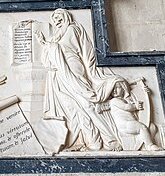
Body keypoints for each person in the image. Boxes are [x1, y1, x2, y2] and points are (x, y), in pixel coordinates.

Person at [35, 9, 122, 151]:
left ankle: (110, 139)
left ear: (66, 16)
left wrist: (47, 44)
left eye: (59, 17)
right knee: (74, 108)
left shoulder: (72, 28)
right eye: (54, 18)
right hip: (59, 72)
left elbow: (65, 48)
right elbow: (53, 50)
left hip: (72, 67)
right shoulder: (57, 35)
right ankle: (91, 141)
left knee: (87, 105)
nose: (57, 20)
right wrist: (45, 43)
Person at [109, 81, 161, 151]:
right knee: (142, 127)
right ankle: (149, 145)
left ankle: (143, 146)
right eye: (112, 89)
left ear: (123, 88)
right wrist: (135, 106)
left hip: (130, 122)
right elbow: (126, 107)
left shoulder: (127, 99)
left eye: (117, 87)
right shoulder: (114, 100)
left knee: (152, 127)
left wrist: (145, 92)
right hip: (124, 124)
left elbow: (140, 98)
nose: (114, 90)